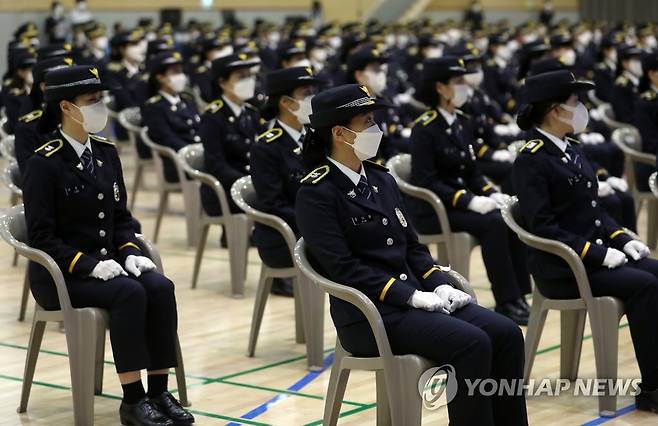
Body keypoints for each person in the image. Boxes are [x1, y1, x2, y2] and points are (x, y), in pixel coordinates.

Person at [296, 84, 527, 426]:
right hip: (370, 314)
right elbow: (342, 268)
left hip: (415, 302)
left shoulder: (380, 179)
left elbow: (413, 247)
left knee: (507, 333)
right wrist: (409, 296)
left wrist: (438, 284)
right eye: (366, 121)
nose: (375, 129)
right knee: (472, 343)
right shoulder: (317, 192)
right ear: (338, 132)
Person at [22, 65, 194, 425]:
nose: (100, 107)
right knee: (129, 294)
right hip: (63, 275)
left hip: (113, 264)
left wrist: (130, 252)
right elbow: (42, 238)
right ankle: (133, 399)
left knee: (160, 287)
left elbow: (121, 218)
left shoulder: (105, 152)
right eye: (92, 101)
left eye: (101, 99)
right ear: (67, 108)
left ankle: (159, 391)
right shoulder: (44, 163)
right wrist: (89, 265)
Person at [513, 69, 658, 413]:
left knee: (654, 271)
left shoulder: (571, 149)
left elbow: (594, 210)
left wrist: (622, 238)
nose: (581, 109)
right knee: (644, 286)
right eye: (575, 101)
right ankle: (653, 387)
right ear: (553, 110)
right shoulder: (532, 160)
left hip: (588, 258)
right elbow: (544, 227)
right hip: (563, 267)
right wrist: (597, 253)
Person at [409, 57, 532, 325]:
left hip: (460, 205)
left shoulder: (462, 122)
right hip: (435, 210)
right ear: (440, 88)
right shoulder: (425, 128)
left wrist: (490, 192)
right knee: (494, 225)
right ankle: (506, 300)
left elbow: (473, 172)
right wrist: (468, 201)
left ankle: (520, 295)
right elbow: (426, 181)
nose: (465, 87)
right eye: (458, 82)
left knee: (512, 214)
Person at [250, 66, 324, 296]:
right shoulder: (266, 147)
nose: (312, 98)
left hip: (316, 229)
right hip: (286, 236)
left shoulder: (318, 137)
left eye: (313, 91)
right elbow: (273, 204)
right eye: (305, 93)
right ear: (286, 102)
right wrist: (319, 219)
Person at [198, 53, 262, 218]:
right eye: (241, 77)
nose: (248, 81)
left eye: (249, 76)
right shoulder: (212, 117)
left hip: (252, 183)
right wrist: (250, 183)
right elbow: (217, 165)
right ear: (223, 83)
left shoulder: (251, 112)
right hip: (226, 190)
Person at [141, 51, 200, 183]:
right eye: (175, 72)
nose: (181, 76)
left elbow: (200, 128)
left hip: (199, 155)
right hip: (179, 163)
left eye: (181, 72)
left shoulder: (187, 99)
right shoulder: (153, 107)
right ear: (160, 77)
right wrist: (195, 151)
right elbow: (167, 138)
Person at [15, 56, 73, 173]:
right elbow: (31, 175)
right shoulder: (28, 127)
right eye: (61, 82)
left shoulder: (78, 116)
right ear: (43, 87)